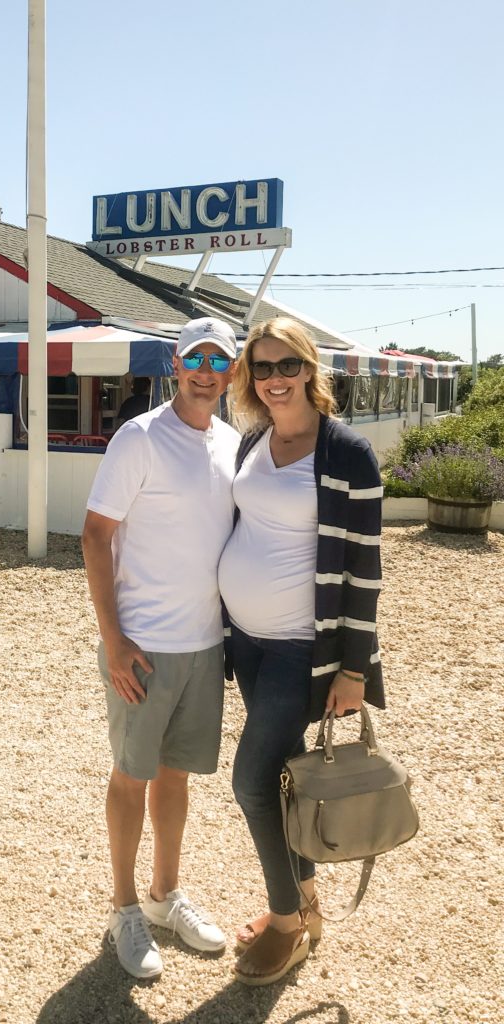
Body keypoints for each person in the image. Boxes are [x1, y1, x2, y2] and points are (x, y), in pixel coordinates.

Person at [218, 317, 385, 986]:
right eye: (262, 368)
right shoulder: (253, 440)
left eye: (287, 365)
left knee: (252, 781)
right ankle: (304, 903)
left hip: (300, 651)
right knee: (285, 779)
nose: (275, 378)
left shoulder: (347, 453)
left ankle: (286, 926)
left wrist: (353, 668)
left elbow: (364, 571)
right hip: (248, 646)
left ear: (310, 368)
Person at [81, 317, 240, 979]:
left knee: (175, 778)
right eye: (195, 357)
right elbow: (94, 535)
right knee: (131, 777)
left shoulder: (234, 444)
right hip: (143, 648)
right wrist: (114, 642)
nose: (206, 370)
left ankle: (164, 896)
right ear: (176, 365)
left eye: (219, 360)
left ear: (230, 372)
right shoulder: (139, 437)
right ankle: (123, 909)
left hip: (205, 647)